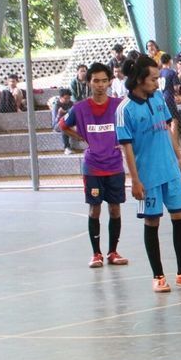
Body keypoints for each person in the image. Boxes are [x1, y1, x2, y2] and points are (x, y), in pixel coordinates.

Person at [115, 55, 181, 293]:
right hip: (148, 176)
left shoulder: (157, 99)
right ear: (138, 79)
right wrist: (135, 180)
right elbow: (127, 148)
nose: (157, 83)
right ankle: (158, 276)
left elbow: (166, 129)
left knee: (179, 217)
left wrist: (178, 157)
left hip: (169, 171)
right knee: (152, 221)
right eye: (153, 79)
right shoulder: (125, 110)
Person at [61, 63, 128, 269]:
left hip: (115, 165)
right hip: (93, 167)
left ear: (109, 82)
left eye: (104, 80)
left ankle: (113, 252)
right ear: (88, 82)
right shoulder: (80, 108)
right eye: (96, 81)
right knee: (94, 210)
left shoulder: (119, 105)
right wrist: (81, 137)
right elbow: (62, 125)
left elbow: (131, 125)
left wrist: (123, 140)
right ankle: (96, 253)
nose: (100, 85)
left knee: (115, 209)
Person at [157, 52, 181, 140]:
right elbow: (176, 87)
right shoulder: (171, 72)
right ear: (170, 61)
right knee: (174, 120)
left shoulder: (159, 73)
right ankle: (174, 142)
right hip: (169, 97)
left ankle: (166, 141)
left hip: (160, 97)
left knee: (164, 121)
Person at [52, 89, 77, 153]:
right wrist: (59, 114)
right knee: (63, 125)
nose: (67, 100)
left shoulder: (71, 103)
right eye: (65, 98)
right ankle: (67, 147)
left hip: (70, 123)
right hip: (57, 125)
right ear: (61, 97)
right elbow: (55, 121)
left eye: (69, 98)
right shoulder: (56, 105)